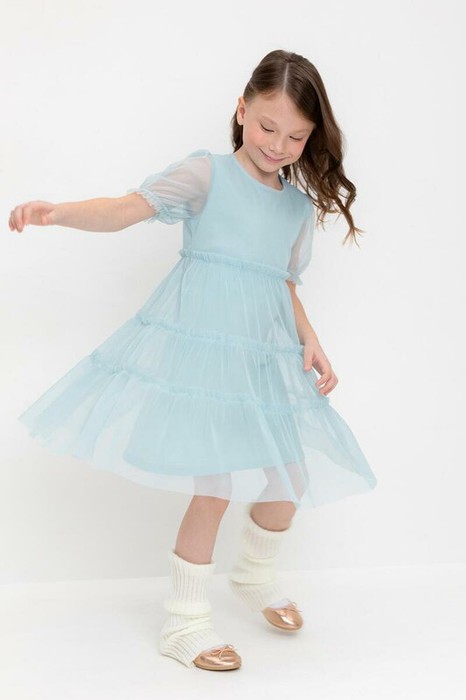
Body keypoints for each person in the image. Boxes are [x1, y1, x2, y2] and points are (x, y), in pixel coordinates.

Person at [10, 49, 377, 672]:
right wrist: (59, 213)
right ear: (242, 109)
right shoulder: (208, 175)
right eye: (267, 126)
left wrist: (310, 339)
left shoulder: (294, 208)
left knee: (291, 478)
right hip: (203, 360)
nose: (278, 146)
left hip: (261, 362)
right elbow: (127, 207)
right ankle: (183, 621)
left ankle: (254, 574)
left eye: (295, 137)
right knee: (215, 486)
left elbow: (280, 283)